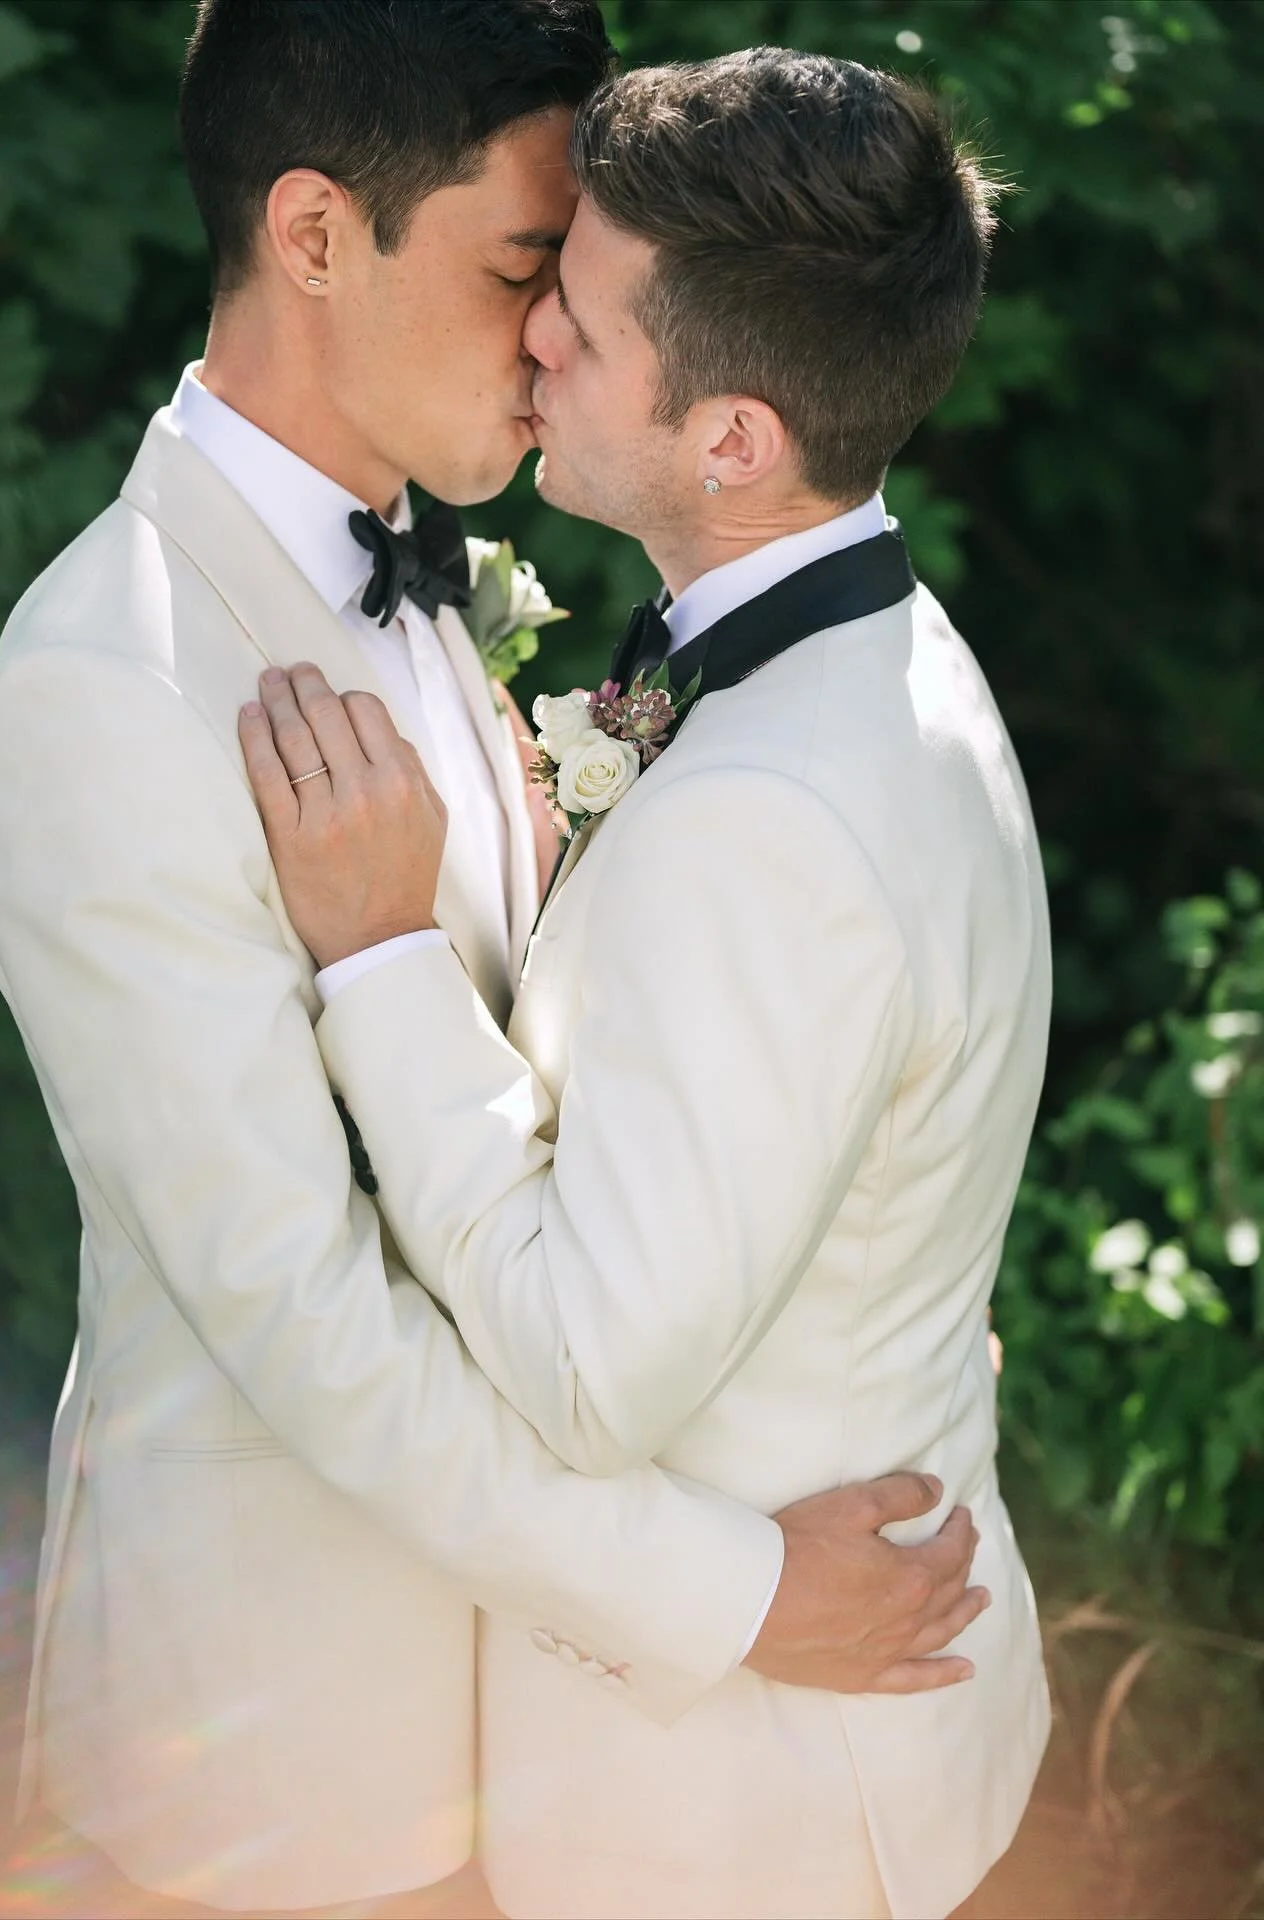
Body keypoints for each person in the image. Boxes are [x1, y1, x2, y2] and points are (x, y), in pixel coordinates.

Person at [0, 6, 985, 1917]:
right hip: (283, 1775)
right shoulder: (110, 692)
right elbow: (312, 1330)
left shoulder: (431, 567)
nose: (550, 338)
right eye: (526, 265)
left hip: (543, 1768)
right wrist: (742, 1591)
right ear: (319, 235)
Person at [237, 45, 1051, 1920]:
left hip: (741, 1835)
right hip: (865, 1767)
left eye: (581, 328)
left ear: (733, 437)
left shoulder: (773, 814)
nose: (528, 342)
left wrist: (378, 961)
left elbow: (591, 1375)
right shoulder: (888, 657)